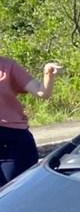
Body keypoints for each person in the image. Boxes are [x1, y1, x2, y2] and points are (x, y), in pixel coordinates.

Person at [0, 56, 63, 186]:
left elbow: (42, 92)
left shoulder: (8, 66)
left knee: (13, 193)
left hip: (12, 141)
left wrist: (48, 74)